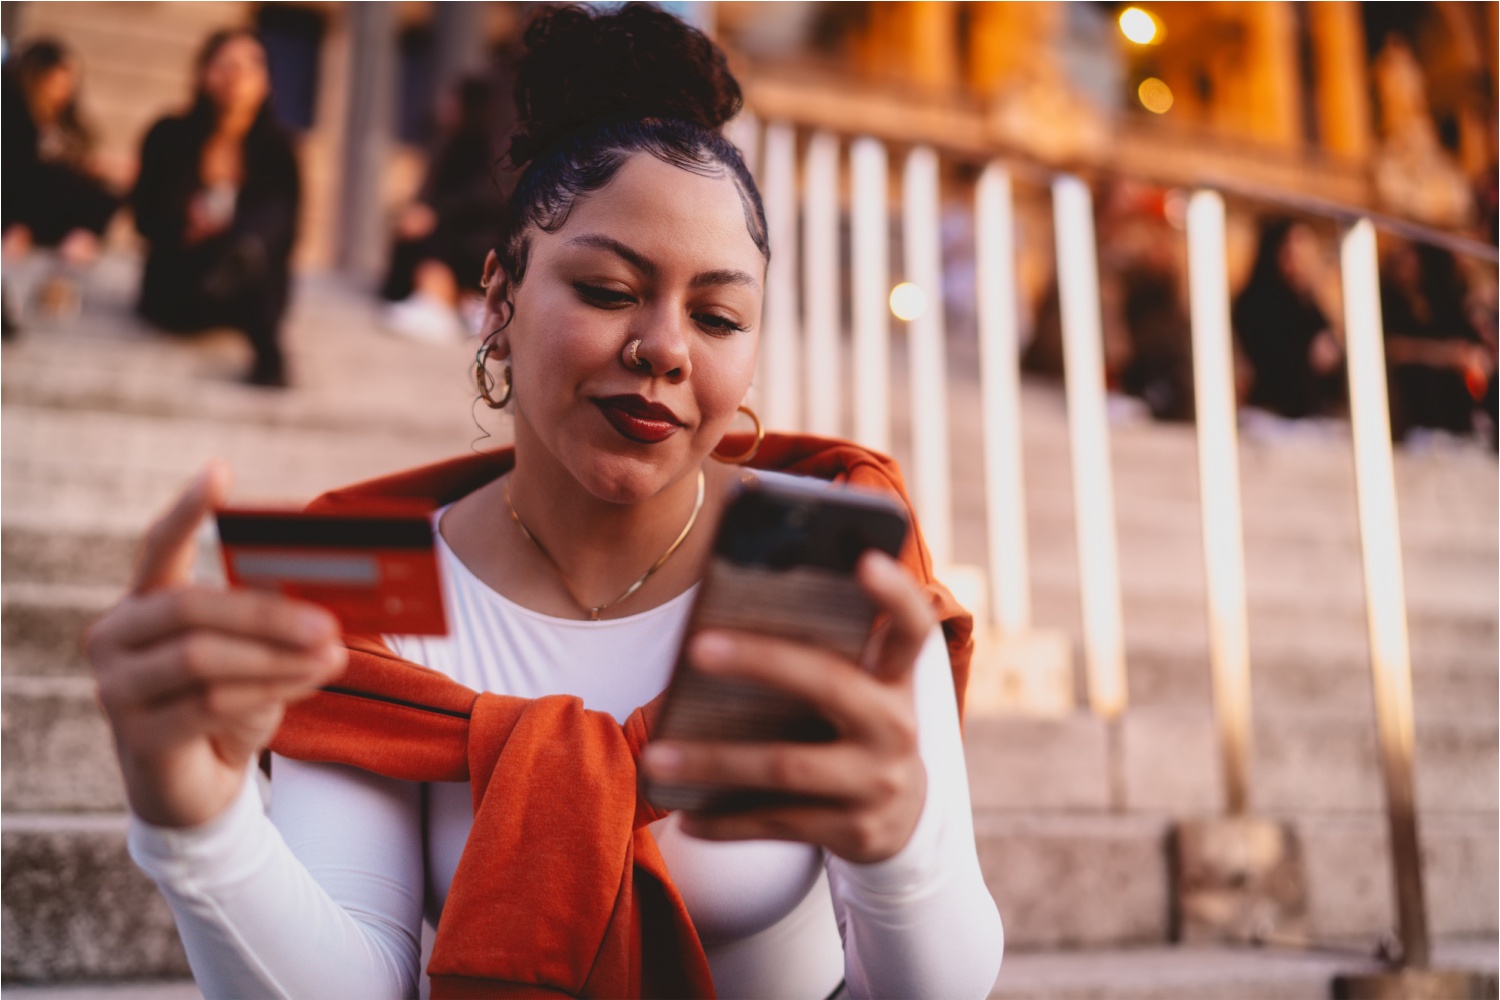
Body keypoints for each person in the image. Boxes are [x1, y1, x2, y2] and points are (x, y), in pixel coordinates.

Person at [84, 5, 1004, 998]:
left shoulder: (821, 548)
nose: (665, 347)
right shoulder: (354, 569)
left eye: (718, 313)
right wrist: (202, 830)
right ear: (499, 300)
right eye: (609, 290)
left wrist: (901, 849)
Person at [131, 29, 301, 388]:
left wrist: (240, 235)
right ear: (203, 73)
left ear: (266, 82)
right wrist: (184, 226)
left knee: (268, 220)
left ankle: (240, 258)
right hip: (183, 278)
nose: (237, 75)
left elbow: (289, 232)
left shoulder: (279, 151)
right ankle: (238, 262)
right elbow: (143, 216)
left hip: (251, 285)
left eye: (251, 66)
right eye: (226, 64)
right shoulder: (168, 135)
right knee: (248, 250)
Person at [1, 37, 121, 332]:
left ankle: (79, 241)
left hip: (55, 211)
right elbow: (17, 173)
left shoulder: (68, 125)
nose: (65, 90)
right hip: (19, 206)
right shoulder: (13, 116)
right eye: (57, 80)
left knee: (103, 189)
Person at [381, 75, 507, 343]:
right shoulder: (452, 141)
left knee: (429, 240)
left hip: (469, 236)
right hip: (460, 229)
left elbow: (478, 198)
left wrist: (432, 214)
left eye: (451, 100)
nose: (444, 106)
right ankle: (448, 302)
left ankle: (436, 303)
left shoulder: (479, 145)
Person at [1380, 240, 1496, 443]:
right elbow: (1392, 348)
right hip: (1411, 420)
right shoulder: (1390, 304)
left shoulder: (1445, 305)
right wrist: (1446, 354)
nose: (1405, 264)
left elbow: (1475, 356)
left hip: (1453, 424)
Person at [1232, 217, 1345, 421]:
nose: (1296, 259)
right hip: (1270, 414)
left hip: (1309, 416)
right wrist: (1308, 355)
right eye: (1288, 250)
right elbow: (1268, 359)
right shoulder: (1255, 303)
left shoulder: (1310, 303)